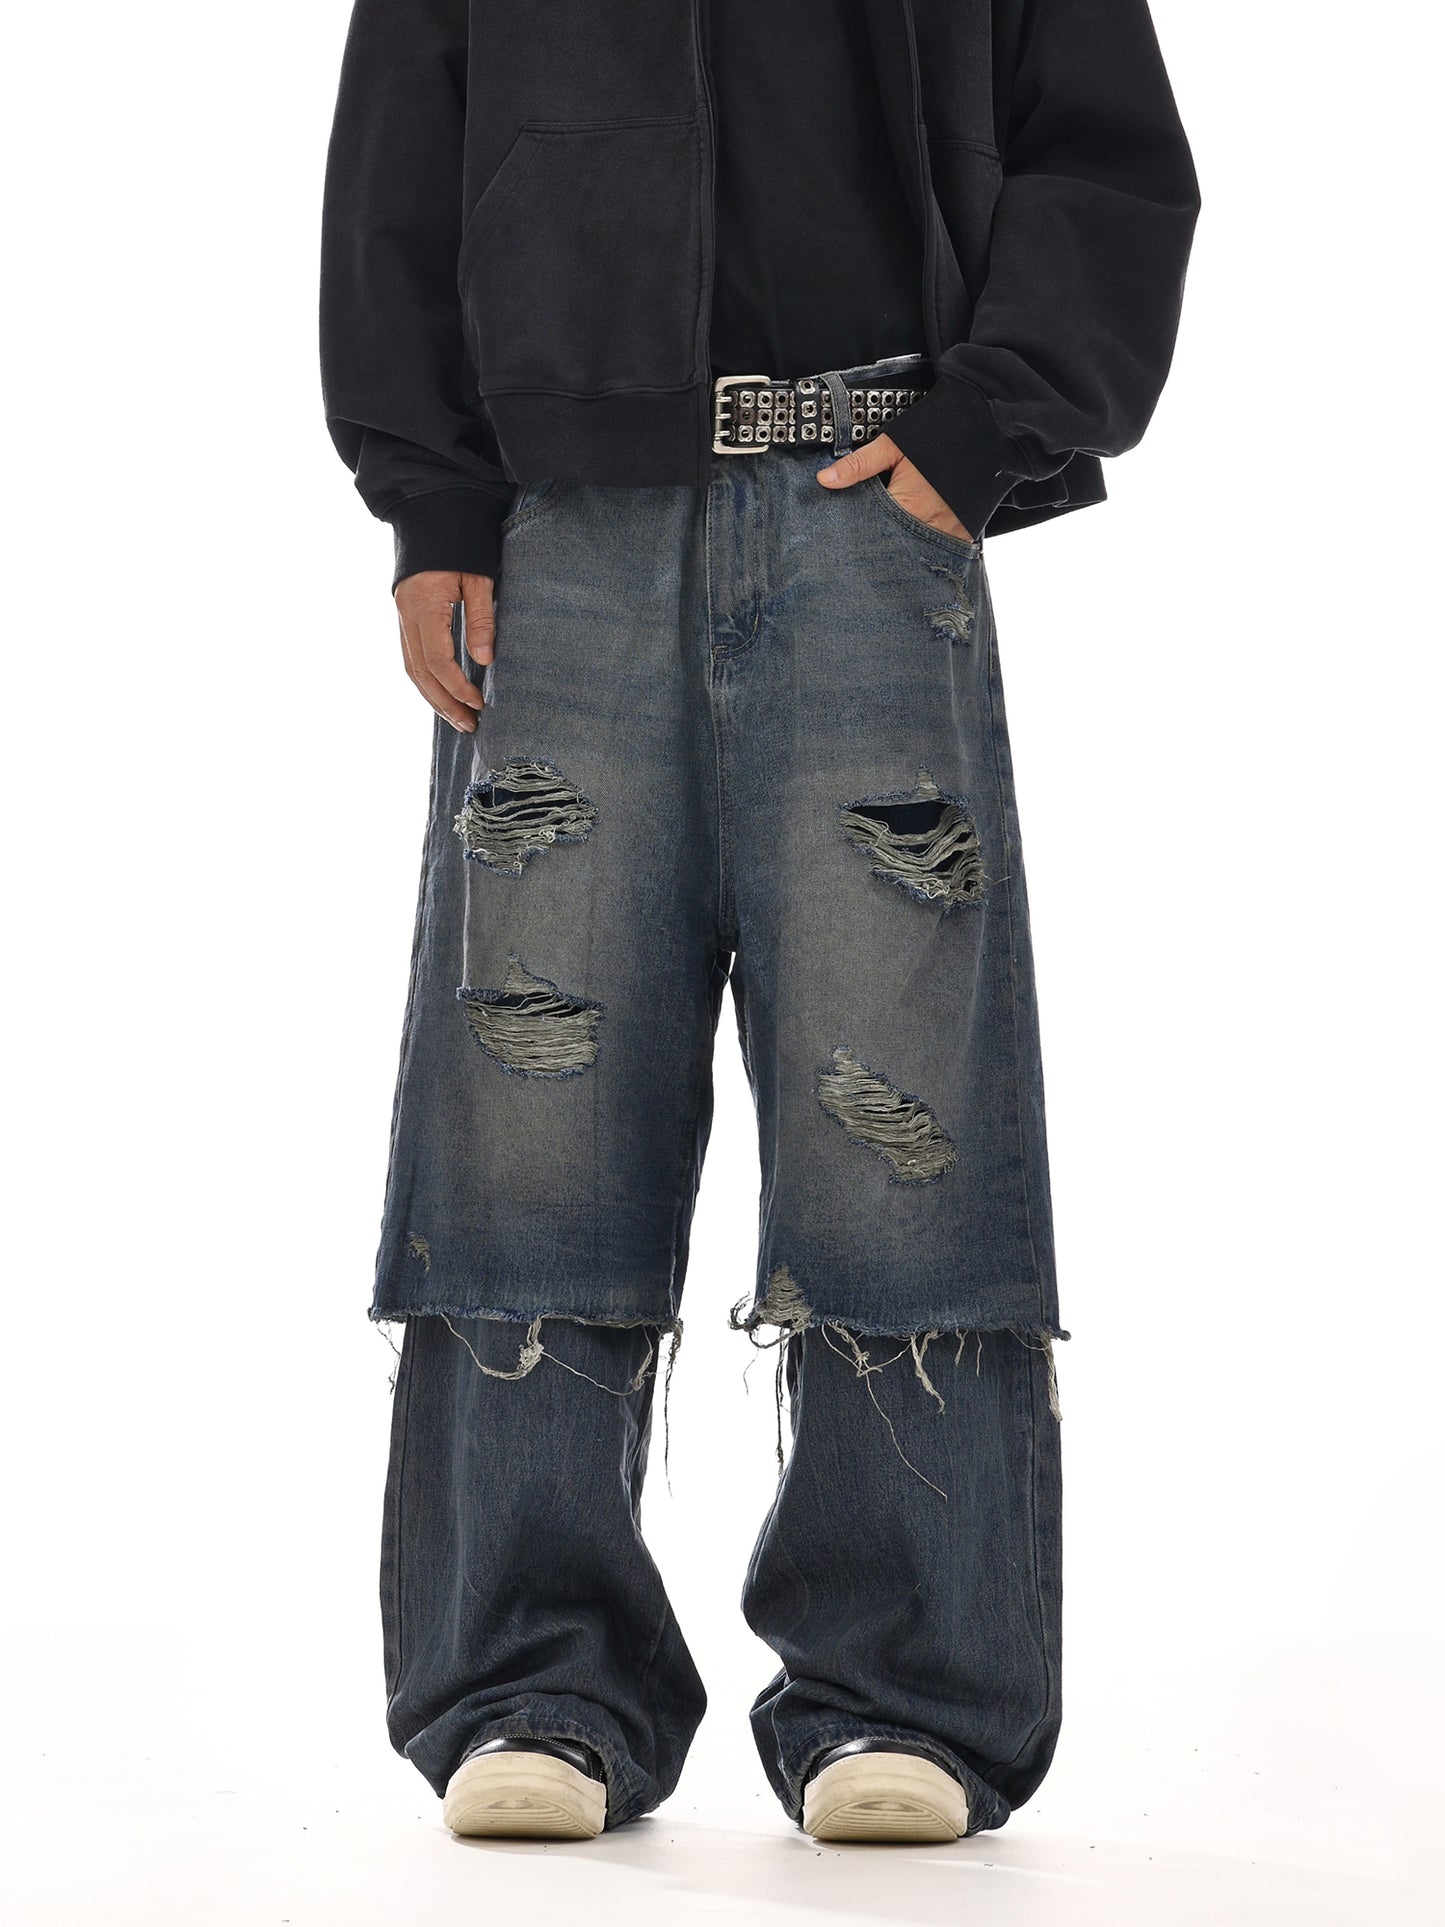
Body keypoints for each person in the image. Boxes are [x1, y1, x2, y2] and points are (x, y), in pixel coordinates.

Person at [319, 0, 1198, 1847]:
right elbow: (399, 156)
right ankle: (529, 1683)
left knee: (902, 1108)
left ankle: (907, 1696)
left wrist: (993, 419)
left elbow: (1105, 144)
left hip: (873, 508)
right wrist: (432, 505)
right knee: (534, 1094)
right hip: (554, 535)